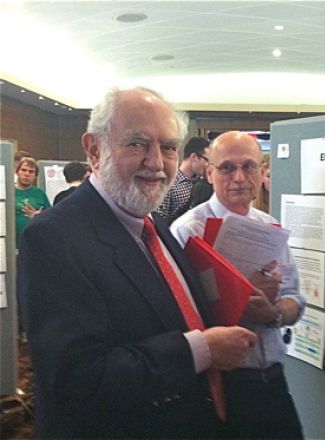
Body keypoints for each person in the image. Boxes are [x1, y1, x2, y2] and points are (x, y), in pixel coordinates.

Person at [18, 87, 257, 439]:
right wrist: (201, 350)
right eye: (137, 144)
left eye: (168, 147)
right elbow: (77, 378)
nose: (157, 162)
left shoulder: (156, 227)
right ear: (94, 150)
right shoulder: (53, 238)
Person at [171, 131, 306, 439]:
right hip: (219, 386)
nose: (239, 177)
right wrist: (242, 292)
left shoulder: (270, 227)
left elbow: (295, 299)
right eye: (227, 168)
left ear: (261, 171)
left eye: (249, 167)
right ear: (209, 172)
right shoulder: (187, 231)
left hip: (272, 380)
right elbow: (176, 318)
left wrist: (272, 313)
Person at [156, 136, 210, 224]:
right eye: (207, 160)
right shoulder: (169, 183)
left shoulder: (204, 184)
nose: (208, 165)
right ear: (194, 157)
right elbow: (160, 221)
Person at [15, 157, 51, 247]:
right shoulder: (8, 192)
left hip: (34, 242)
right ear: (17, 172)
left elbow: (50, 218)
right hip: (12, 242)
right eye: (23, 170)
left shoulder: (40, 193)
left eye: (31, 172)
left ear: (35, 176)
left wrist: (38, 216)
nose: (27, 174)